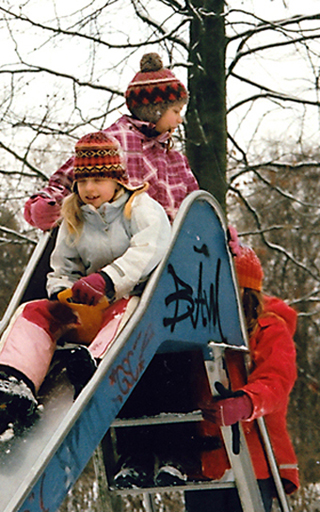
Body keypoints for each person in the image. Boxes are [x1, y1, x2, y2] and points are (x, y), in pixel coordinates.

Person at [0, 132, 171, 434]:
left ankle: (95, 363)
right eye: (82, 181)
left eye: (98, 180)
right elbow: (61, 266)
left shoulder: (141, 208)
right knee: (33, 311)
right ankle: (15, 379)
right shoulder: (74, 216)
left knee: (127, 309)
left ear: (117, 180)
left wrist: (107, 279)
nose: (89, 189)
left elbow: (149, 250)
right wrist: (62, 291)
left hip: (130, 302)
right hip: (88, 309)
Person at [184, 241, 300, 512]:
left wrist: (247, 402)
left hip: (255, 455)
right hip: (206, 457)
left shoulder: (269, 328)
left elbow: (277, 379)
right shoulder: (196, 326)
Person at [24, 52, 199, 230]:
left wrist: (216, 236)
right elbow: (67, 181)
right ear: (155, 110)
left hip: (171, 252)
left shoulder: (176, 160)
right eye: (176, 111)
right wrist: (46, 205)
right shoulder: (111, 142)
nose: (180, 119)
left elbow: (195, 208)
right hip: (115, 247)